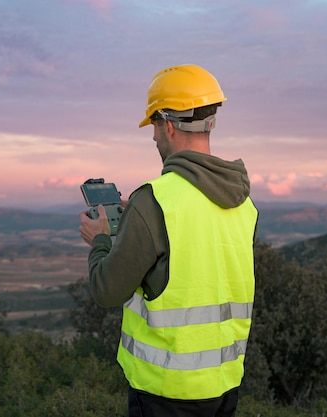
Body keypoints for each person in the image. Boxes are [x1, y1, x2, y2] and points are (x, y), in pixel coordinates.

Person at [79, 64, 258, 417]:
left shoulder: (154, 200)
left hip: (166, 393)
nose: (154, 137)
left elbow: (107, 290)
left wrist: (101, 240)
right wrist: (141, 224)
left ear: (169, 124)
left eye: (155, 127)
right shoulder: (242, 201)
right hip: (224, 385)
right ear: (210, 123)